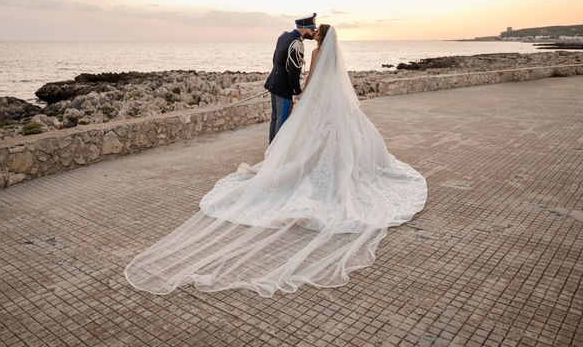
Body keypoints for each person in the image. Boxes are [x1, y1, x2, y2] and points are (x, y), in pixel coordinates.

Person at [125, 25, 427, 298]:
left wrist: (302, 98)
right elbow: (330, 77)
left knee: (306, 140)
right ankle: (333, 171)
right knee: (334, 142)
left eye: (316, 35)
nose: (314, 38)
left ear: (318, 37)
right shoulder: (327, 52)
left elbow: (311, 78)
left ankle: (304, 168)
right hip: (334, 104)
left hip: (316, 101)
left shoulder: (316, 50)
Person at [264, 13, 316, 143]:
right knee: (282, 123)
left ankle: (271, 151)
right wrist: (297, 91)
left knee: (275, 119)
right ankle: (276, 155)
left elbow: (275, 58)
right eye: (312, 29)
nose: (313, 32)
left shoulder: (283, 36)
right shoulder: (297, 44)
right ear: (304, 29)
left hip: (274, 83)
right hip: (284, 88)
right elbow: (293, 71)